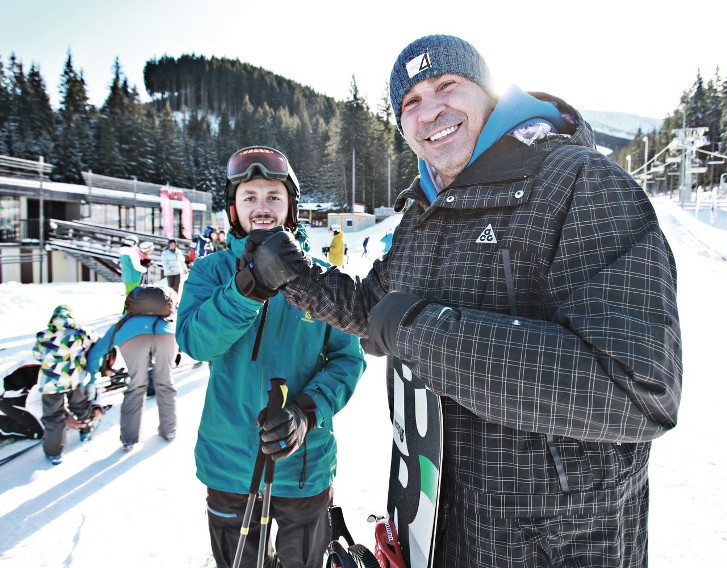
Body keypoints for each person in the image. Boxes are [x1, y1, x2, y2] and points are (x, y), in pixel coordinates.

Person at [245, 35, 682, 566]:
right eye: (411, 103)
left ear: (488, 94)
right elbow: (375, 309)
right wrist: (293, 273)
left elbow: (636, 390)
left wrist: (423, 332)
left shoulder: (582, 184)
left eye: (446, 86)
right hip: (445, 526)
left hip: (559, 542)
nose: (431, 111)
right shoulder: (425, 211)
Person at [175, 145, 366, 568]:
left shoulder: (322, 280)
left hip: (304, 464)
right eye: (250, 197)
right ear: (233, 209)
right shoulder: (211, 273)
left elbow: (348, 360)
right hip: (228, 465)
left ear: (291, 208)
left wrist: (306, 412)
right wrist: (248, 288)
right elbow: (194, 341)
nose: (262, 207)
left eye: (274, 197)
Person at [87, 305, 179, 451]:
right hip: (167, 334)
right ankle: (169, 431)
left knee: (137, 385)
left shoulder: (124, 322)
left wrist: (91, 378)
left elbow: (97, 351)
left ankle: (129, 439)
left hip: (133, 338)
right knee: (165, 383)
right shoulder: (164, 317)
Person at [32, 305, 103, 465]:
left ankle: (54, 452)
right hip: (74, 379)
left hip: (51, 382)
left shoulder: (43, 336)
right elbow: (94, 339)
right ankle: (85, 431)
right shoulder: (79, 334)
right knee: (81, 406)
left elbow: (37, 354)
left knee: (53, 416)